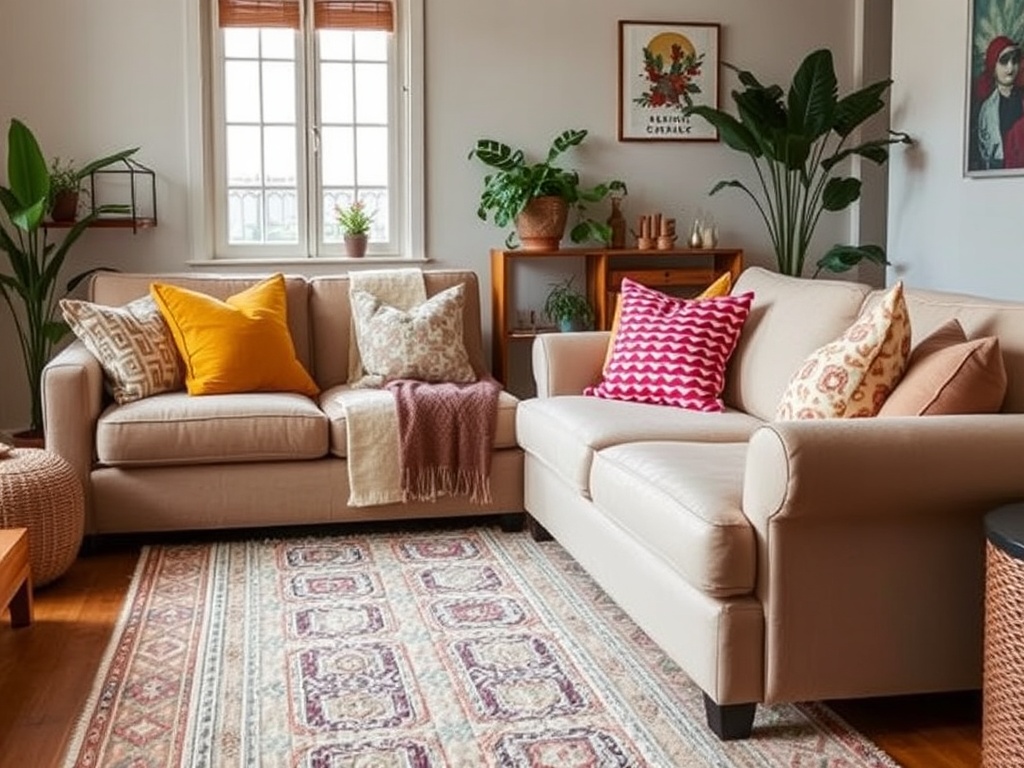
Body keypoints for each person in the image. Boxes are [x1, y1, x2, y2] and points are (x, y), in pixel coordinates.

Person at [975, 36, 1024, 170]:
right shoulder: (987, 109)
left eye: (1014, 60)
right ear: (993, 65)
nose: (1010, 67)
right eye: (1004, 61)